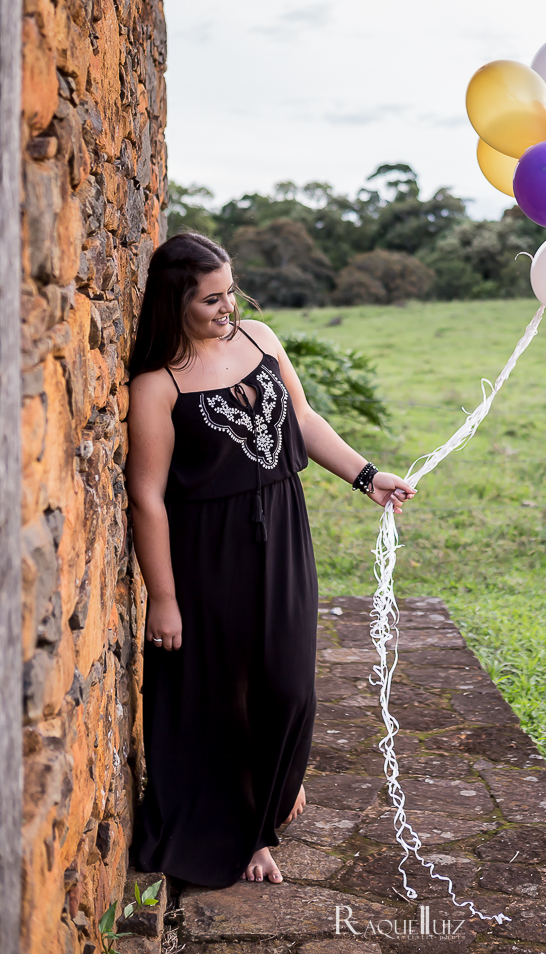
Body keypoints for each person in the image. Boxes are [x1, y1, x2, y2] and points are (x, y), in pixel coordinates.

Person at [126, 232, 415, 887]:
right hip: (206, 550)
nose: (228, 307)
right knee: (220, 692)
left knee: (288, 686)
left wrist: (368, 477)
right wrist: (163, 597)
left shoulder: (258, 339)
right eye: (211, 299)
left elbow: (303, 420)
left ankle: (275, 788)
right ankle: (251, 833)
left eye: (230, 291)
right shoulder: (156, 385)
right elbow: (147, 497)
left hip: (282, 527)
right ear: (174, 302)